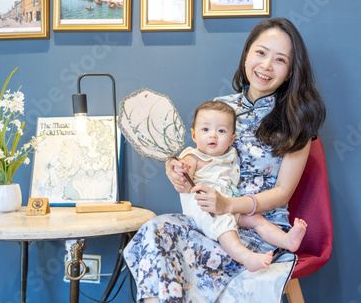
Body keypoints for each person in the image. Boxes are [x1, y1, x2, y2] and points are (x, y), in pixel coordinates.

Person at [123, 17, 326, 303]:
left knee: (190, 252)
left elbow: (283, 193)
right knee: (156, 230)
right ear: (246, 54)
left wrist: (228, 204)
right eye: (260, 52)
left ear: (291, 70)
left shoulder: (295, 121)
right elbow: (199, 165)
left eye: (280, 60)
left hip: (259, 227)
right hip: (208, 218)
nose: (266, 65)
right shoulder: (218, 108)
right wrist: (179, 174)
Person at [178, 100, 308, 272]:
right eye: (205, 129)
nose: (213, 135)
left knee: (255, 219)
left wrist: (228, 205)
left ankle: (286, 240)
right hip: (205, 208)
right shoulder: (192, 157)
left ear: (232, 139)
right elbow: (183, 185)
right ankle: (247, 257)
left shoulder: (229, 154)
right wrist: (180, 171)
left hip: (227, 205)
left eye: (221, 131)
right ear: (194, 136)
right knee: (224, 225)